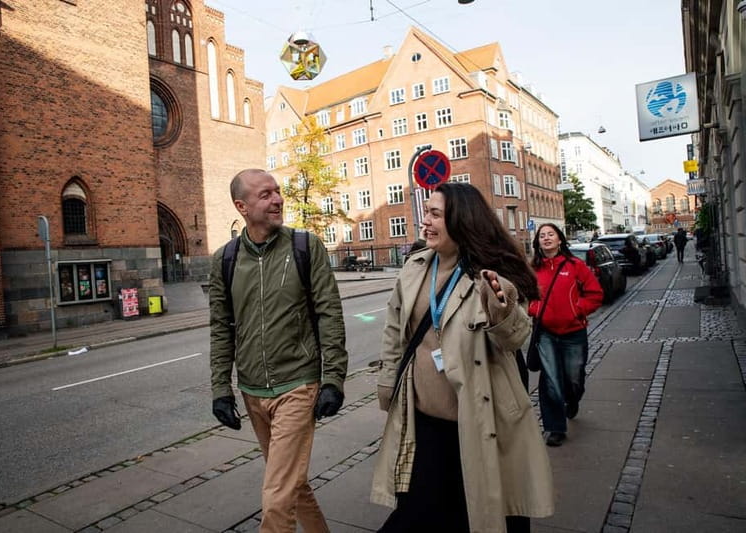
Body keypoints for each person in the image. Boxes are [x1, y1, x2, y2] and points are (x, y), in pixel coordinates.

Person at [371, 183, 554, 533]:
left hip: (479, 418)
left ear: (461, 220)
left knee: (487, 510)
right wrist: (388, 383)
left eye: (435, 214)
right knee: (419, 510)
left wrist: (500, 310)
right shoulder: (414, 267)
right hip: (423, 419)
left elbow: (517, 337)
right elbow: (395, 332)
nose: (425, 222)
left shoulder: (492, 273)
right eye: (426, 212)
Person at [208, 169, 348, 533]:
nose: (277, 199)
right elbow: (221, 328)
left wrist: (332, 378)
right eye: (265, 194)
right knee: (293, 485)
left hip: (297, 386)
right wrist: (221, 388)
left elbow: (329, 314)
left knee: (276, 498)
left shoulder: (305, 246)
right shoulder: (224, 260)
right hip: (253, 391)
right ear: (242, 206)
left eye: (278, 191)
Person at [529, 223, 603, 447]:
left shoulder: (575, 265)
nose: (546, 238)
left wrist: (577, 309)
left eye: (551, 234)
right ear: (538, 242)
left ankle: (572, 399)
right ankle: (555, 428)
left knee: (573, 378)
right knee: (551, 380)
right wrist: (535, 308)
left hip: (573, 332)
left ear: (560, 239)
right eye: (542, 236)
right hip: (546, 333)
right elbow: (525, 295)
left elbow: (595, 294)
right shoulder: (533, 269)